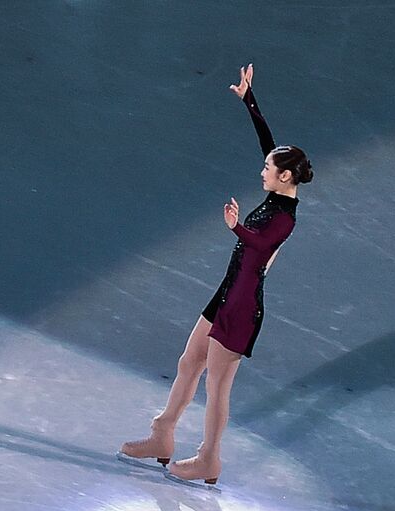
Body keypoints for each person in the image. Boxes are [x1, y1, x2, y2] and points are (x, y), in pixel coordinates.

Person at [118, 63, 313, 485]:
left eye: (268, 168)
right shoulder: (279, 185)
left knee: (218, 386)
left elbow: (260, 246)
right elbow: (269, 143)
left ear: (284, 176)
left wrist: (235, 227)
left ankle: (209, 459)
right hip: (227, 292)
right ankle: (162, 434)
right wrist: (250, 101)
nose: (261, 171)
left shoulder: (286, 217)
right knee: (189, 362)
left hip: (243, 307)